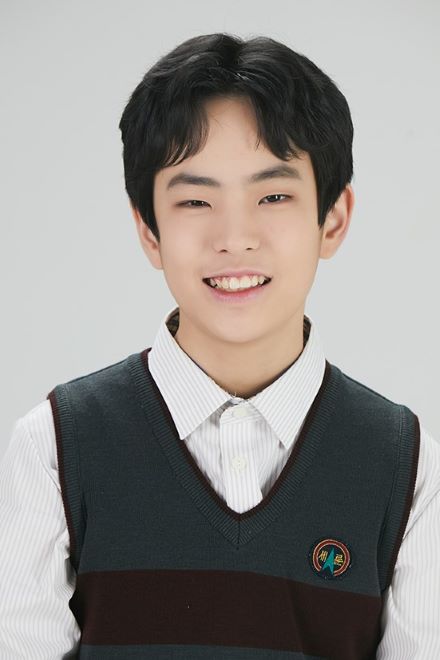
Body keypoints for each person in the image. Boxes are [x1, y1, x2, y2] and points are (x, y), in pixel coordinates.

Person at [1, 32, 439, 660]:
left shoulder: (408, 465)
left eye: (274, 196)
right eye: (196, 200)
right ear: (149, 230)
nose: (234, 237)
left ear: (333, 219)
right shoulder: (55, 446)